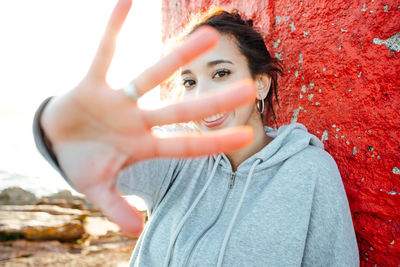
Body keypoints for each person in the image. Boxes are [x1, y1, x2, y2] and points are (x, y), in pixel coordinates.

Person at [33, 0, 359, 266]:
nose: (202, 94)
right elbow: (99, 162)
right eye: (189, 81)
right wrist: (63, 130)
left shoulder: (310, 171)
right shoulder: (174, 153)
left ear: (261, 83)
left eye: (221, 73)